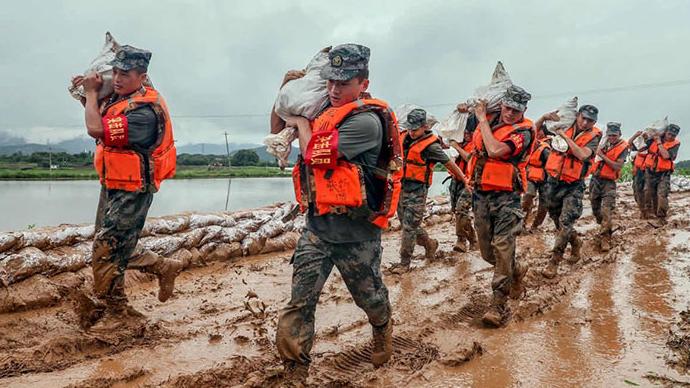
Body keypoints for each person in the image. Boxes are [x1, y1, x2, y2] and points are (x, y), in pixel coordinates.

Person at [270, 44, 402, 383]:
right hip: (317, 228)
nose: (334, 90)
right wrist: (283, 92)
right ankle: (295, 371)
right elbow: (277, 130)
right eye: (330, 82)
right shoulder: (319, 110)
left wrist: (300, 121)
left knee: (369, 297)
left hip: (356, 233)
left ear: (363, 83)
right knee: (300, 301)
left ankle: (381, 326)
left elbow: (314, 153)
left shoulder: (366, 122)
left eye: (343, 83)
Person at [71, 45, 184, 327]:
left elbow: (96, 129)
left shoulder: (145, 112)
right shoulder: (121, 98)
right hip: (112, 183)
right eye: (116, 72)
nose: (118, 78)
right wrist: (87, 93)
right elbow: (98, 113)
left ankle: (115, 312)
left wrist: (93, 94)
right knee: (110, 244)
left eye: (126, 74)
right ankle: (161, 266)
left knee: (108, 247)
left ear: (142, 77)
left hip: (133, 189)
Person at [465, 85, 535, 327]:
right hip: (481, 195)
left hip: (508, 198)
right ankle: (516, 270)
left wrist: (482, 118)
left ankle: (498, 304)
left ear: (524, 110)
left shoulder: (524, 132)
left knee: (502, 247)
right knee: (487, 252)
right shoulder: (492, 118)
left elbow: (495, 150)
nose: (510, 114)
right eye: (507, 107)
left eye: (516, 110)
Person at [389, 108, 468, 274]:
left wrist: (464, 180)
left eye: (415, 129)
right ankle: (430, 244)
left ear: (425, 126)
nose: (411, 132)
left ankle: (404, 262)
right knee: (407, 224)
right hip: (402, 187)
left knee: (410, 227)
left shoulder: (432, 147)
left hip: (418, 190)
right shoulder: (404, 137)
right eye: (409, 128)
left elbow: (449, 164)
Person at [541, 105, 602, 279]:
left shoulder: (594, 136)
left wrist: (563, 136)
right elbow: (537, 131)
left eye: (590, 120)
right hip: (553, 182)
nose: (585, 123)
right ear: (577, 116)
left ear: (594, 122)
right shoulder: (564, 124)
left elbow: (582, 155)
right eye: (583, 118)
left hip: (573, 185)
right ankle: (575, 242)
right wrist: (545, 117)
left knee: (566, 222)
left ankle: (554, 262)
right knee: (558, 223)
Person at [589, 122, 629, 251]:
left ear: (619, 134)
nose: (612, 137)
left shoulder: (623, 147)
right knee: (595, 208)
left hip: (609, 183)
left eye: (614, 135)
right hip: (595, 180)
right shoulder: (602, 143)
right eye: (610, 135)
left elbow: (617, 166)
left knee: (606, 210)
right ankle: (604, 227)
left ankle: (605, 238)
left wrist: (602, 156)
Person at [522, 111, 559, 233]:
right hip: (531, 175)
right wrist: (543, 117)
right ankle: (521, 223)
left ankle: (535, 226)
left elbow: (553, 164)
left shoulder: (549, 146)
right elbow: (532, 128)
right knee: (528, 196)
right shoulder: (530, 141)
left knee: (544, 203)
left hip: (546, 178)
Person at [448, 104, 478, 252]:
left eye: (468, 132)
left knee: (461, 210)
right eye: (464, 131)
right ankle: (473, 239)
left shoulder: (477, 142)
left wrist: (457, 147)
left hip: (470, 182)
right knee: (457, 212)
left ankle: (461, 240)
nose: (466, 134)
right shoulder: (458, 140)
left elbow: (469, 158)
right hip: (456, 181)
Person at [643, 123, 681, 223]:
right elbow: (641, 147)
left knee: (662, 195)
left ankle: (661, 218)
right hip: (650, 171)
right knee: (648, 192)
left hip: (664, 174)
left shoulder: (675, 144)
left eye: (673, 135)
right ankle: (651, 213)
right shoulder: (654, 139)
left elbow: (665, 156)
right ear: (665, 132)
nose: (670, 137)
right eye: (669, 134)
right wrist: (645, 137)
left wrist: (659, 142)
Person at [628, 130, 650, 217]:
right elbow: (628, 144)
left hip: (648, 171)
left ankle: (649, 210)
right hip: (638, 171)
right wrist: (635, 135)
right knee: (637, 190)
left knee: (648, 190)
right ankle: (642, 209)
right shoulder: (636, 146)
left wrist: (646, 138)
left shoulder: (650, 144)